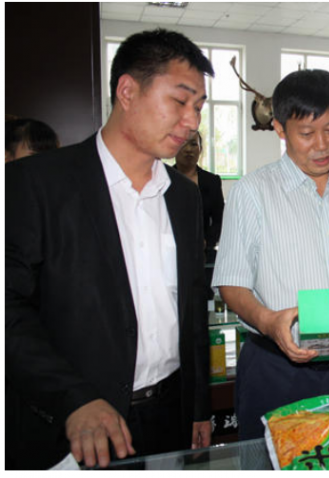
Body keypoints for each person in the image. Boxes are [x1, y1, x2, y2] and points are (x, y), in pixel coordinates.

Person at [5, 28, 215, 470]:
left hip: (168, 415)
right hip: (77, 425)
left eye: (198, 107)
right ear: (127, 91)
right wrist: (73, 398)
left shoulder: (183, 196)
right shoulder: (38, 184)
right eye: (180, 101)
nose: (192, 121)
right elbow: (10, 310)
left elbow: (192, 307)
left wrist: (198, 405)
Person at [213, 69, 329, 442]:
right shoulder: (252, 191)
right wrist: (268, 321)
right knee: (268, 461)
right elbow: (232, 282)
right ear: (280, 129)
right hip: (274, 369)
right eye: (307, 133)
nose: (322, 145)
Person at [174, 131, 225, 266]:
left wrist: (206, 241)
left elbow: (220, 219)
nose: (188, 149)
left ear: (200, 149)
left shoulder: (212, 181)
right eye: (183, 143)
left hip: (204, 255)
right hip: (171, 252)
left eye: (193, 144)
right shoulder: (164, 179)